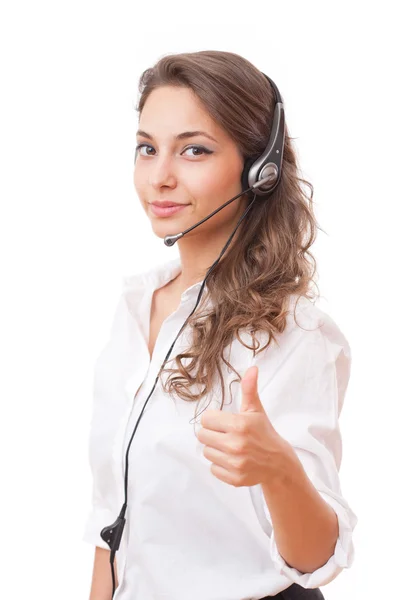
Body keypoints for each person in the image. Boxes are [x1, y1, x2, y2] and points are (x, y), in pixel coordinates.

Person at [83, 50, 358, 600]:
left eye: (194, 150)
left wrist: (278, 467)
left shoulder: (295, 334)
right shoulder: (136, 307)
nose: (159, 176)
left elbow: (316, 558)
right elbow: (111, 521)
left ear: (260, 170)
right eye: (147, 148)